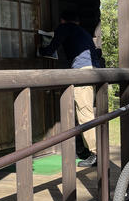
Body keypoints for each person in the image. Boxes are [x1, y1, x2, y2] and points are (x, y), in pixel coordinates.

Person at [39, 13, 102, 167]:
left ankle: (96, 153)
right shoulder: (83, 32)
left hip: (82, 71)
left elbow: (51, 48)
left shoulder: (65, 27)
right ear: (78, 20)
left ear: (62, 19)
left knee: (84, 113)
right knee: (87, 111)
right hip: (93, 71)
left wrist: (39, 50)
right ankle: (90, 150)